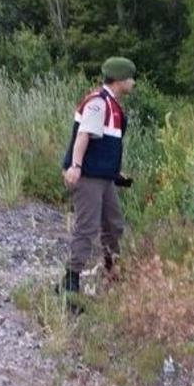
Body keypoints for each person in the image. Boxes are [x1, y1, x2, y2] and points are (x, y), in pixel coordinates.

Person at [59, 57, 136, 295]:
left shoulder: (112, 105)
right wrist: (75, 166)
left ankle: (113, 273)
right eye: (131, 78)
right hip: (88, 177)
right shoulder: (98, 103)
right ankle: (69, 283)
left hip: (104, 178)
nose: (133, 82)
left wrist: (114, 172)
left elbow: (105, 145)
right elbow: (83, 136)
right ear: (119, 80)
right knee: (87, 227)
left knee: (114, 226)